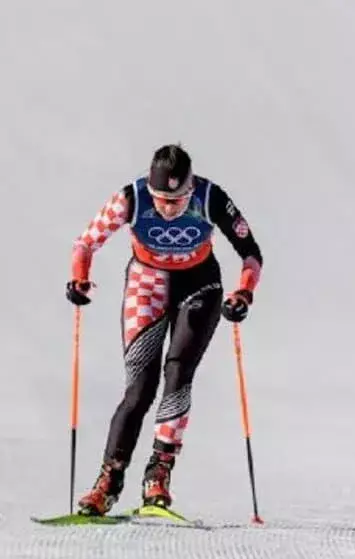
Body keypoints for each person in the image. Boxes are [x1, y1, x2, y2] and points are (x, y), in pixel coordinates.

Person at [67, 144, 264, 515]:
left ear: (191, 188)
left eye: (177, 200)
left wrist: (244, 293)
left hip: (200, 284)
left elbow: (251, 252)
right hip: (147, 284)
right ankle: (108, 481)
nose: (169, 208)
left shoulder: (211, 197)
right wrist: (79, 278)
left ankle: (158, 473)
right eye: (161, 199)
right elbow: (86, 242)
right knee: (139, 389)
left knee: (178, 373)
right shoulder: (131, 198)